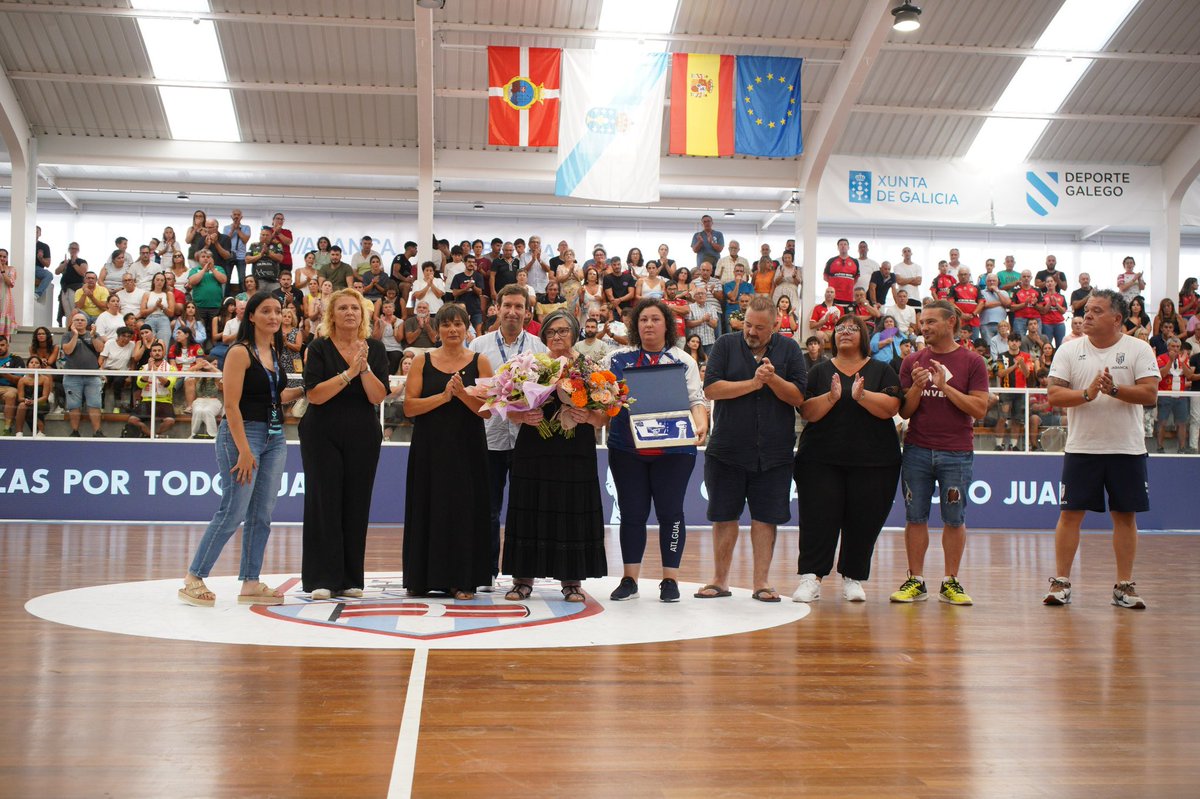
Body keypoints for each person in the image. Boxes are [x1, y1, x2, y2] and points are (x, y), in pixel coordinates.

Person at [179, 293, 303, 607]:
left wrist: (306, 388)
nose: (274, 317)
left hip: (274, 436)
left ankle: (250, 581)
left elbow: (276, 397)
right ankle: (194, 577)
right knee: (233, 511)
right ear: (251, 316)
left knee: (261, 515)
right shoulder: (239, 352)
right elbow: (231, 406)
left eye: (277, 311)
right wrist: (244, 450)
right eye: (266, 311)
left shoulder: (276, 352)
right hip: (243, 435)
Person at [1044, 289, 1160, 609]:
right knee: (1070, 515)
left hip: (1127, 449)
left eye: (1096, 311)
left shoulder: (1139, 349)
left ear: (1117, 319)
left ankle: (1124, 586)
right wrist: (1087, 394)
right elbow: (1054, 395)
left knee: (1125, 516)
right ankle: (1061, 582)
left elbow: (1150, 394)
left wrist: (1115, 389)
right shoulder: (1069, 350)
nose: (1087, 316)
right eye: (1086, 310)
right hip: (1082, 448)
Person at [697, 295, 806, 603]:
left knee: (765, 518)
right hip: (727, 450)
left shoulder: (790, 349)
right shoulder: (725, 345)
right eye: (747, 324)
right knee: (723, 516)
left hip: (774, 452)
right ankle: (719, 580)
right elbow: (711, 388)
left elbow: (798, 396)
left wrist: (772, 380)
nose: (751, 332)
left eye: (759, 327)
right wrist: (754, 383)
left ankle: (762, 583)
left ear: (775, 325)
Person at [605, 299, 709, 602]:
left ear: (668, 324)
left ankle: (670, 580)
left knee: (671, 512)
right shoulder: (617, 359)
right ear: (635, 325)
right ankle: (629, 579)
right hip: (627, 449)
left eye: (655, 319)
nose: (648, 325)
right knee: (632, 514)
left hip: (675, 451)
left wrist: (700, 425)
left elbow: (696, 399)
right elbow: (603, 399)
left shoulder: (682, 360)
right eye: (643, 320)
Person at [792, 315, 902, 602]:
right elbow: (806, 411)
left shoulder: (882, 370)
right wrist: (831, 398)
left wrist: (862, 396)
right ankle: (811, 578)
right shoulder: (819, 371)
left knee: (863, 521)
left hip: (874, 462)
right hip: (820, 460)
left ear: (864, 336)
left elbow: (891, 407)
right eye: (840, 328)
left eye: (853, 329)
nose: (845, 332)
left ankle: (853, 577)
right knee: (817, 519)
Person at [501, 310, 608, 603]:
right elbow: (508, 410)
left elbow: (603, 418)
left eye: (563, 331)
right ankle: (522, 579)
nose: (557, 336)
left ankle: (571, 581)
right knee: (529, 506)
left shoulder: (590, 368)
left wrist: (587, 415)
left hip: (576, 451)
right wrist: (523, 416)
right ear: (543, 336)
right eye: (551, 332)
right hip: (535, 448)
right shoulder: (530, 365)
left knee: (572, 507)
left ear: (573, 333)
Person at [891, 301, 990, 605]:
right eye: (923, 322)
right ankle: (916, 580)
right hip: (917, 449)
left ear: (951, 323)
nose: (925, 327)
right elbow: (905, 411)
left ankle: (951, 581)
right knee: (915, 516)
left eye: (932, 321)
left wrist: (945, 387)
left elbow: (979, 408)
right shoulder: (912, 362)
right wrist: (919, 388)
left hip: (956, 452)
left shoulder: (973, 362)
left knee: (954, 519)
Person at [300, 289, 390, 599]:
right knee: (324, 503)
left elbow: (378, 396)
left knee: (356, 503)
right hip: (321, 433)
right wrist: (349, 372)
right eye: (343, 308)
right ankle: (322, 579)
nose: (350, 312)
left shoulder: (375, 350)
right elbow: (315, 394)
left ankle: (352, 579)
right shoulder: (318, 347)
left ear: (363, 315)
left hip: (363, 434)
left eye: (355, 308)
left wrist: (363, 368)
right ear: (332, 315)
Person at [403, 303, 494, 599]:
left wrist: (462, 395)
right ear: (437, 329)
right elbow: (409, 407)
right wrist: (443, 397)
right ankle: (422, 578)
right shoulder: (421, 361)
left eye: (458, 324)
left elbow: (487, 412)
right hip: (430, 447)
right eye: (446, 324)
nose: (452, 330)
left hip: (468, 448)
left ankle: (463, 579)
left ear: (467, 327)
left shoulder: (480, 361)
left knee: (464, 511)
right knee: (427, 507)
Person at [469, 285, 550, 585]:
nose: (513, 312)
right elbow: (472, 394)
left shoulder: (539, 348)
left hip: (526, 440)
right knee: (487, 510)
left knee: (524, 508)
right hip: (489, 438)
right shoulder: (478, 345)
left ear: (527, 312)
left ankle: (522, 571)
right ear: (497, 309)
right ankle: (486, 571)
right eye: (508, 306)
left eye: (519, 306)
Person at [61, 311, 105, 437]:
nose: (80, 322)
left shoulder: (94, 334)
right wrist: (75, 335)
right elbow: (68, 351)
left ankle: (97, 431)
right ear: (72, 323)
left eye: (82, 320)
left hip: (92, 376)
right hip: (72, 376)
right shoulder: (67, 335)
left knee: (95, 404)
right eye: (77, 320)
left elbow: (100, 349)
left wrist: (92, 336)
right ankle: (75, 431)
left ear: (87, 323)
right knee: (74, 405)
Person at [128, 339, 177, 438]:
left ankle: (155, 435)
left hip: (164, 401)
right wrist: (149, 370)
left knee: (170, 421)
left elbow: (169, 384)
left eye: (159, 350)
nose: (157, 353)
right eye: (154, 351)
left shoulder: (171, 368)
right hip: (147, 400)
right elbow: (140, 384)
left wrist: (156, 373)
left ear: (163, 352)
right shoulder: (143, 368)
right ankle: (154, 436)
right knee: (132, 420)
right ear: (151, 353)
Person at [13, 355, 52, 437]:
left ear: (40, 367)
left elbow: (45, 397)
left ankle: (41, 430)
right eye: (31, 362)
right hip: (27, 401)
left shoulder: (45, 379)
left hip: (41, 402)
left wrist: (34, 401)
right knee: (22, 405)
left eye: (37, 363)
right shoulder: (22, 380)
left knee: (35, 406)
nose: (34, 364)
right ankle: (19, 432)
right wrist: (26, 400)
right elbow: (20, 397)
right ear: (27, 366)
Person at [824, 238, 859, 311]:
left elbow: (856, 278)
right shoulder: (831, 260)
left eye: (845, 244)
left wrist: (848, 284)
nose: (843, 246)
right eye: (841, 244)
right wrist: (835, 284)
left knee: (848, 319)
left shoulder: (855, 261)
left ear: (848, 247)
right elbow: (825, 277)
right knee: (834, 319)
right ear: (838, 247)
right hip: (834, 297)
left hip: (848, 297)